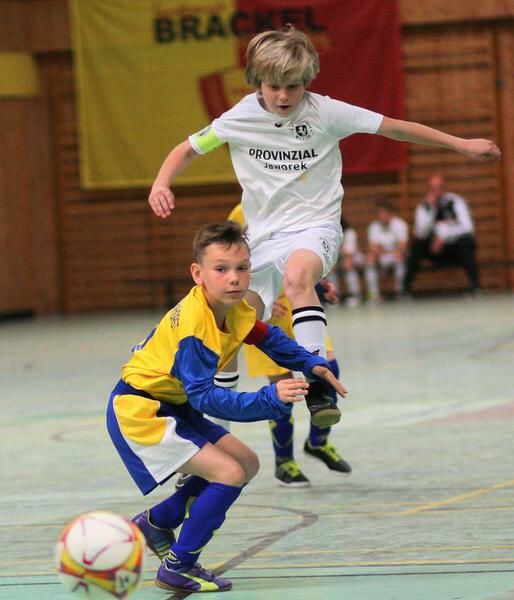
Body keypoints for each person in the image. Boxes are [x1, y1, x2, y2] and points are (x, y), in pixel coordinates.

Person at [148, 26, 500, 428]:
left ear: (307, 81)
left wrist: (461, 144)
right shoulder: (238, 118)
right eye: (274, 86)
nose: (283, 96)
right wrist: (161, 183)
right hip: (260, 239)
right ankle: (209, 418)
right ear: (257, 81)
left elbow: (395, 127)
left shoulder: (326, 112)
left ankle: (318, 386)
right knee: (233, 323)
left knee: (299, 278)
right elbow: (187, 149)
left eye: (293, 87)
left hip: (315, 227)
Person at [107, 222, 345, 593]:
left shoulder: (231, 307)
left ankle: (157, 524)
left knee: (247, 464)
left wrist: (310, 362)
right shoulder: (195, 327)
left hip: (174, 407)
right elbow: (206, 397)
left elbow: (268, 338)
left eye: (242, 268)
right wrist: (269, 398)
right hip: (143, 411)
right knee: (229, 473)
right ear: (197, 273)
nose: (234, 279)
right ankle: (178, 566)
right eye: (222, 269)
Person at [403, 174, 481, 295]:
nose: (436, 191)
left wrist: (444, 237)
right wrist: (432, 209)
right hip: (433, 249)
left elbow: (468, 227)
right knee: (416, 246)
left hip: (453, 248)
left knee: (467, 242)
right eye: (433, 188)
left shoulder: (455, 201)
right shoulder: (424, 206)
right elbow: (420, 233)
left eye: (439, 187)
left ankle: (475, 286)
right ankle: (405, 289)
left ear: (444, 188)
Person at [365, 200, 408, 301]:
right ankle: (374, 295)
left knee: (400, 258)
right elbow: (373, 247)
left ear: (390, 213)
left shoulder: (399, 224)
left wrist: (392, 252)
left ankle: (400, 292)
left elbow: (403, 245)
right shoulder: (374, 227)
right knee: (369, 260)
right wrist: (377, 253)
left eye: (384, 213)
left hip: (395, 256)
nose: (382, 216)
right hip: (381, 257)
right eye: (380, 213)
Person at [339, 217, 365, 307]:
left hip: (356, 259)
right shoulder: (331, 234)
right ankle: (334, 297)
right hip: (339, 260)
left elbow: (348, 254)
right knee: (329, 270)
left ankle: (355, 295)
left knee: (349, 267)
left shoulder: (349, 233)